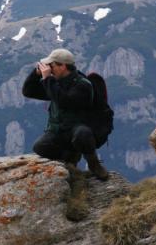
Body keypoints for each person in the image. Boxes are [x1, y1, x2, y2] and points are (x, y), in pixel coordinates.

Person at [22, 48, 109, 180]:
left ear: (62, 66)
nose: (49, 69)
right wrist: (36, 74)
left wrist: (47, 80)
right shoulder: (56, 83)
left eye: (52, 65)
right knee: (40, 147)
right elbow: (28, 91)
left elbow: (64, 101)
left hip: (78, 129)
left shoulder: (82, 85)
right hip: (59, 130)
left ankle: (94, 164)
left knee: (82, 134)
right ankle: (69, 161)